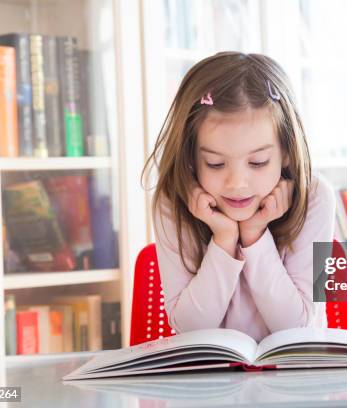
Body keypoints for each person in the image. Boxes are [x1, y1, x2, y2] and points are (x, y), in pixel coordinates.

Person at [142, 52, 336, 342]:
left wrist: (254, 236)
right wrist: (224, 240)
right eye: (215, 164)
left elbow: (296, 326)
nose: (236, 184)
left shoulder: (316, 198)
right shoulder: (173, 201)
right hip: (210, 382)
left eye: (257, 162)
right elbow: (190, 329)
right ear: (191, 158)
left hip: (295, 379)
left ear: (285, 152)